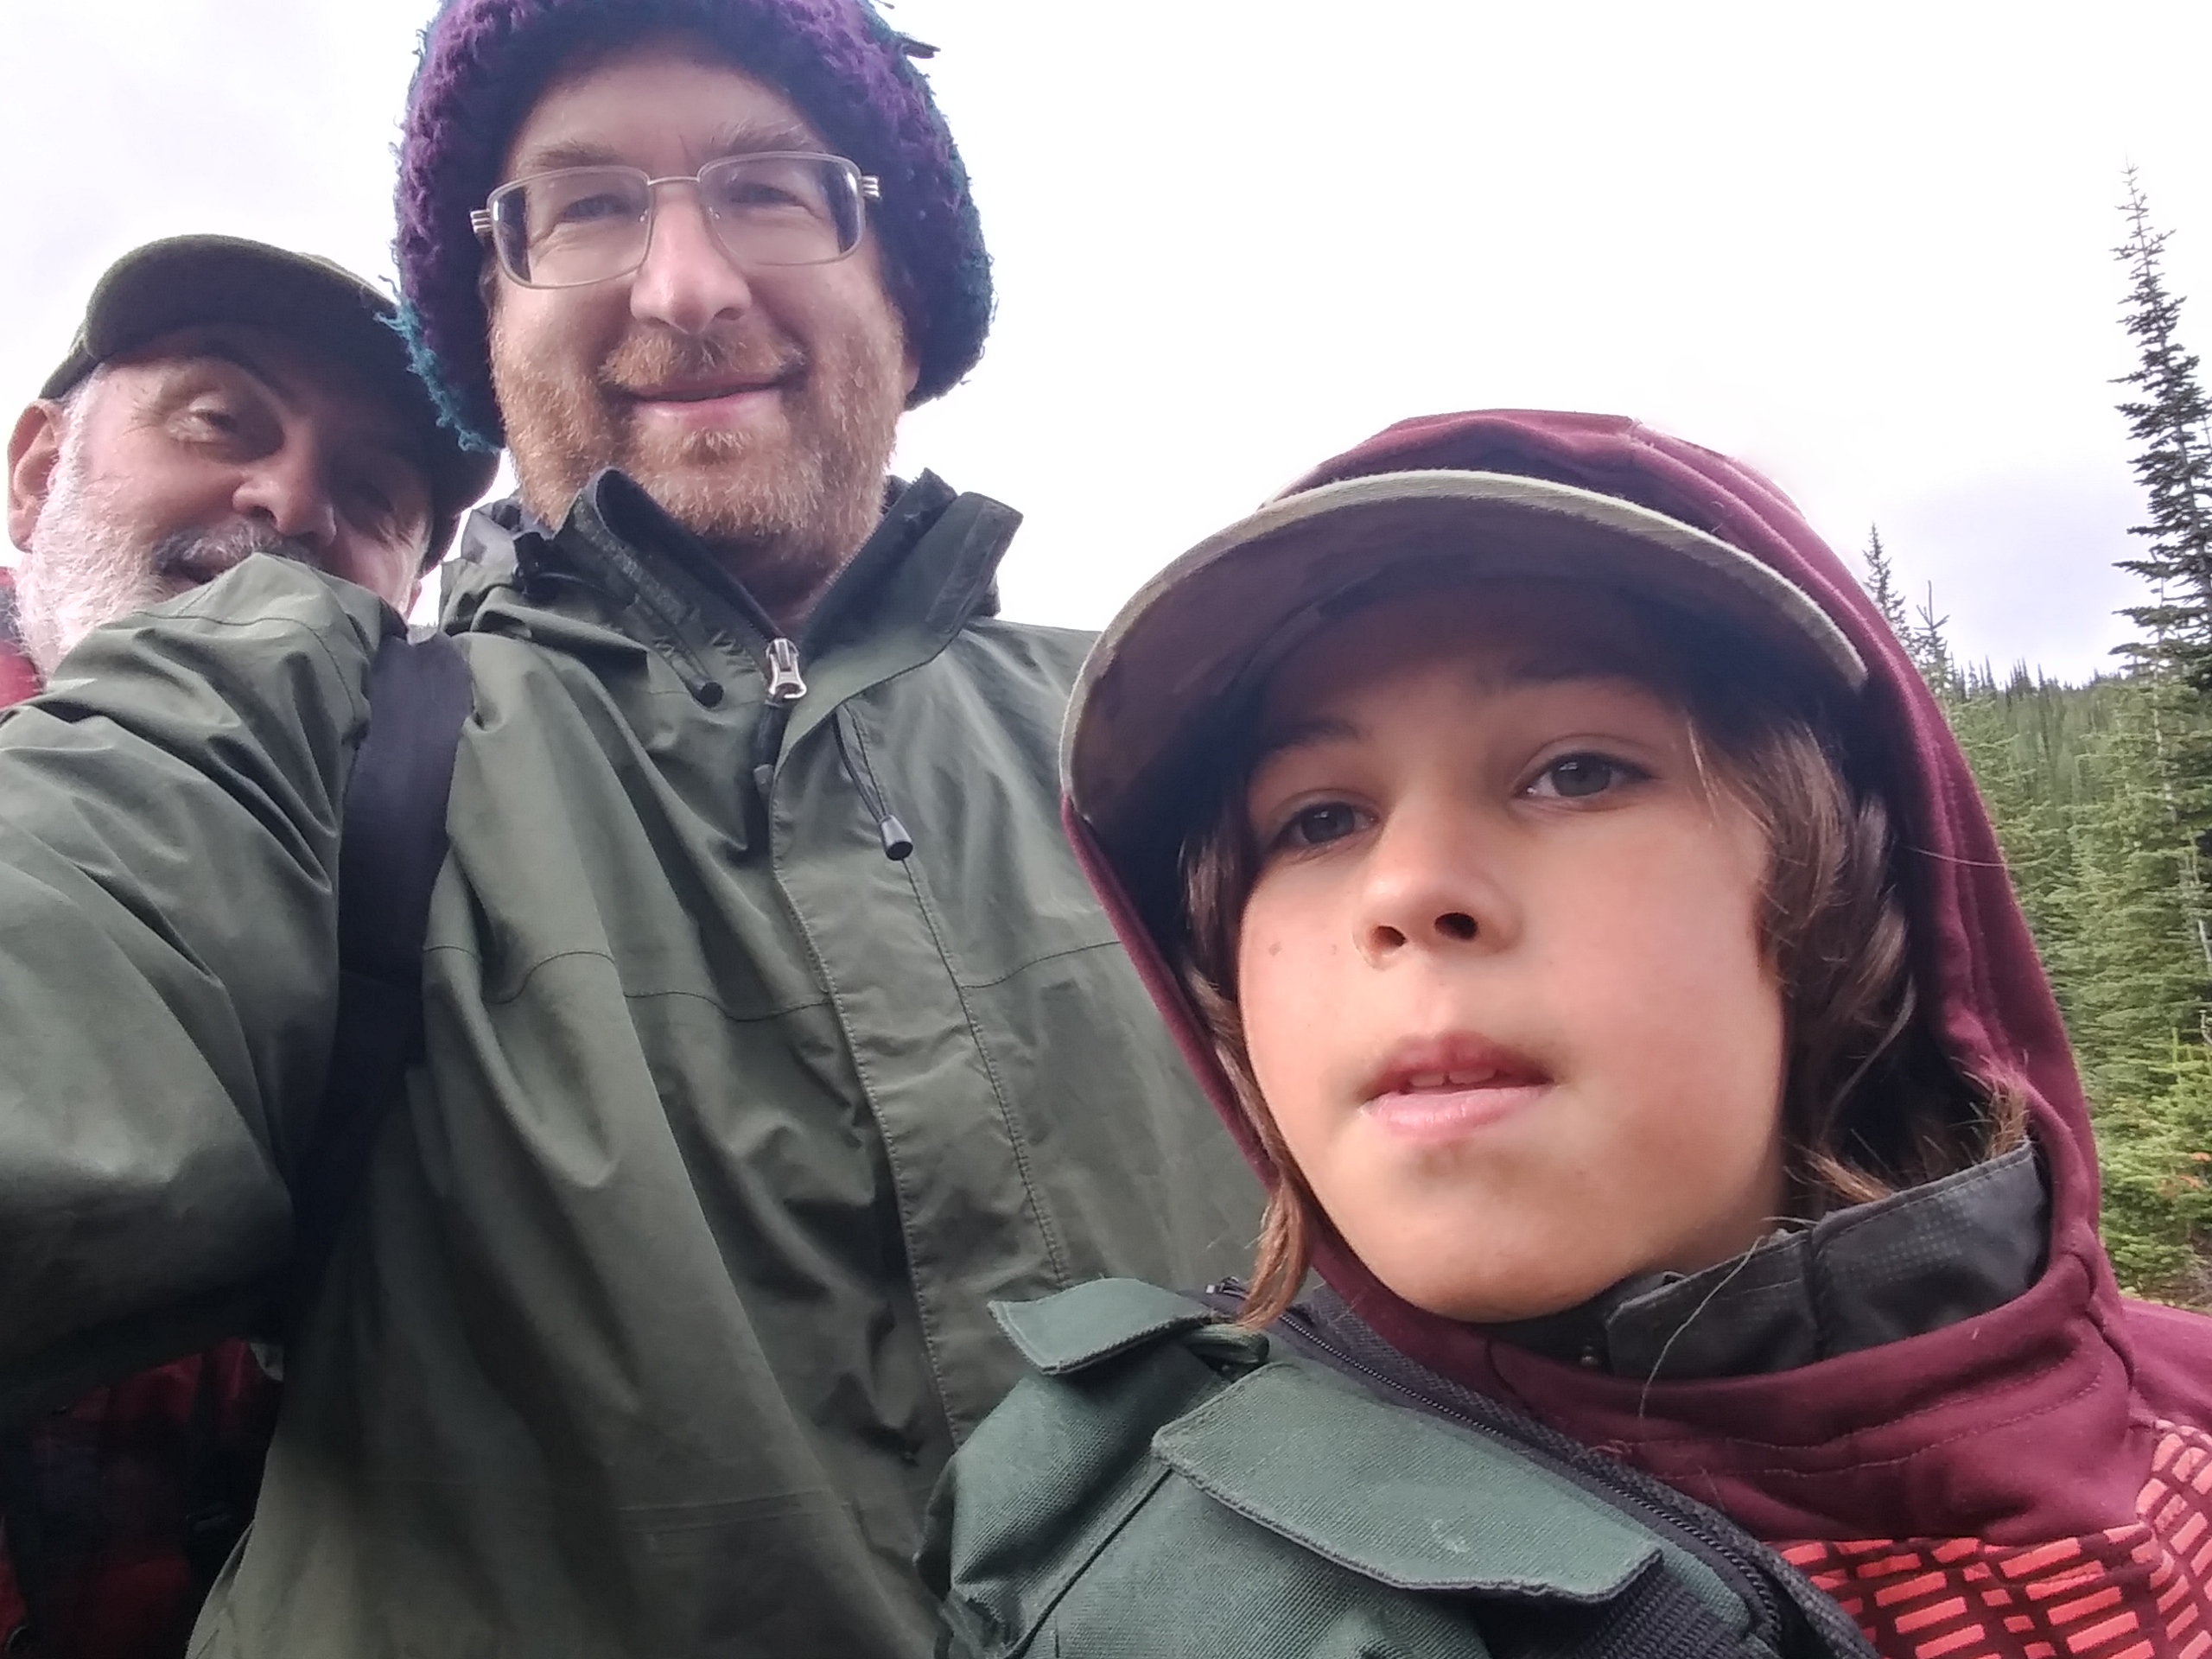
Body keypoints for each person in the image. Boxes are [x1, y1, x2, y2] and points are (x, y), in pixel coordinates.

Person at [0, 3, 1257, 1655]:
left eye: (774, 187)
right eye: (584, 206)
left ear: (907, 295)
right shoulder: (305, 720)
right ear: (492, 324)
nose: (684, 286)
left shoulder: (1192, 743)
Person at [925, 409, 2212, 1658]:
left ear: (1852, 890)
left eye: (1578, 770)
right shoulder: (1170, 1595)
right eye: (1318, 820)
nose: (1405, 890)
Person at [0, 234, 495, 1659]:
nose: (289, 504)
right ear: (37, 472)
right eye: (221, 421)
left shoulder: (458, 917)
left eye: (375, 495)